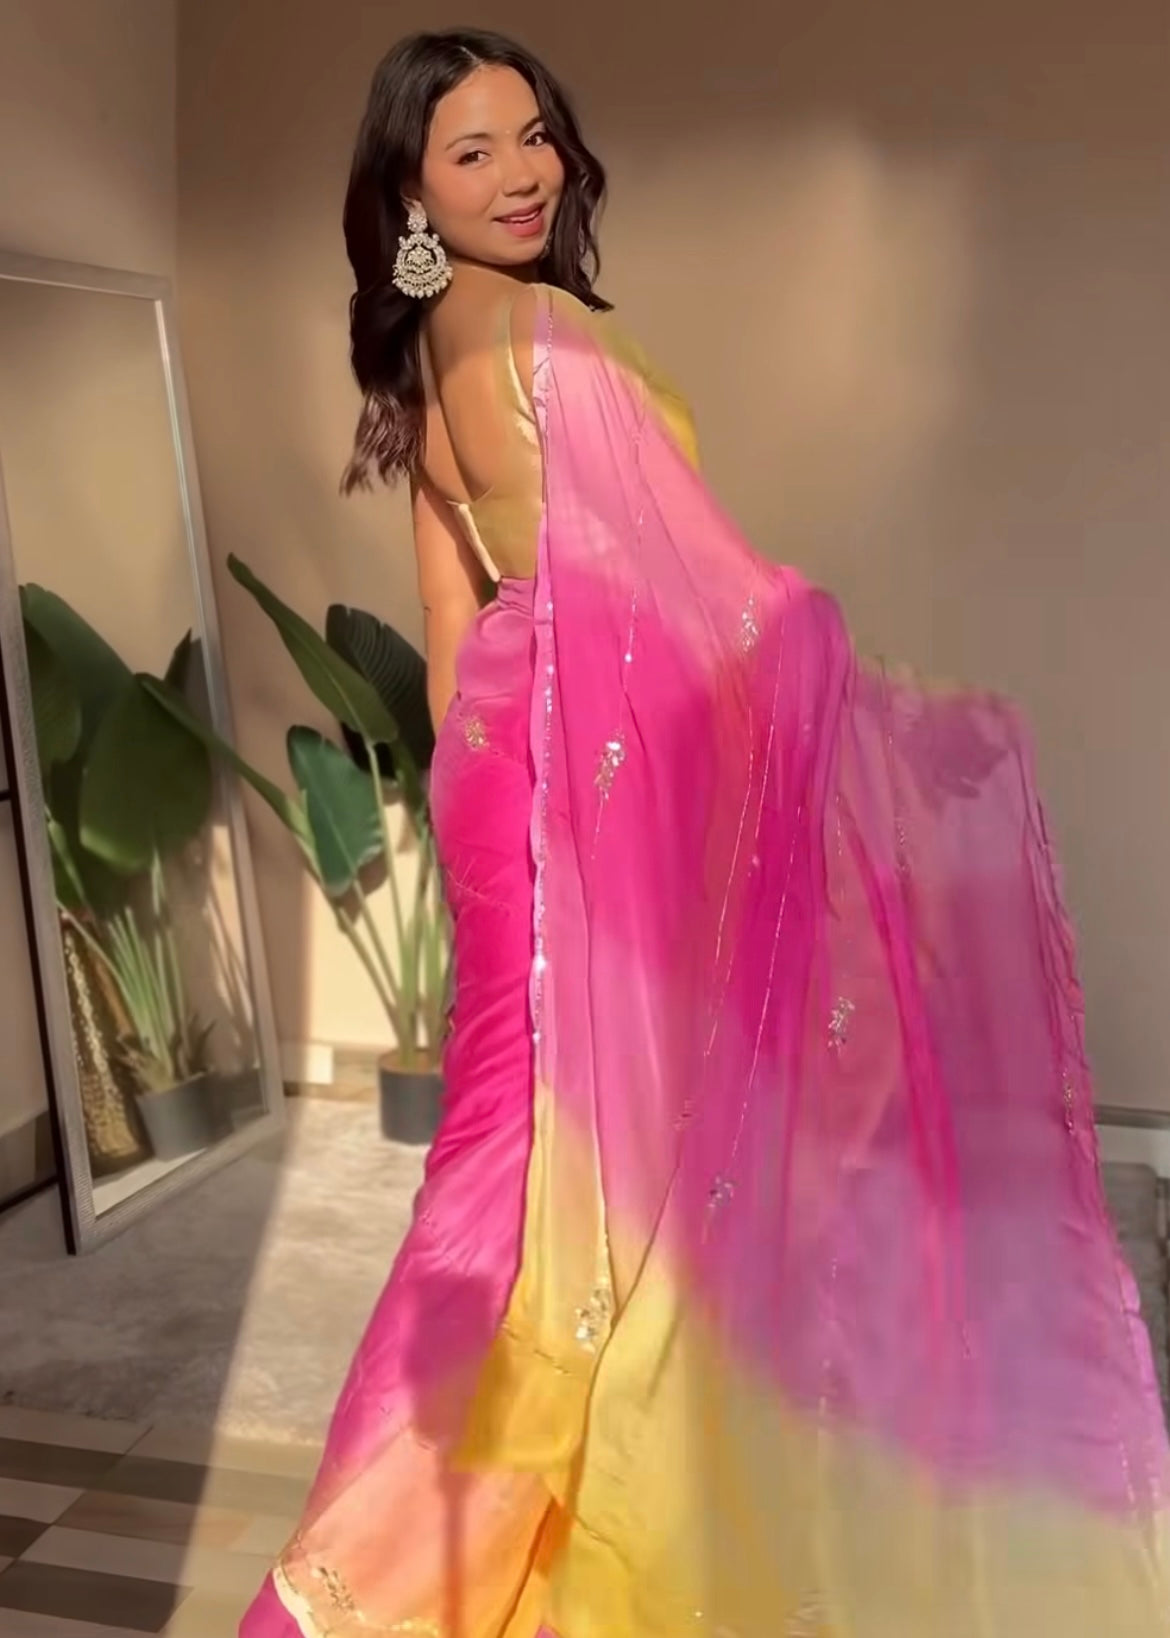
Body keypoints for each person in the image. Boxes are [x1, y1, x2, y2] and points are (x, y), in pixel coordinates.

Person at [241, 29, 1170, 1638]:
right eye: (472, 152)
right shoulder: (540, 332)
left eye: (533, 135)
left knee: (519, 1171)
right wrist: (862, 697)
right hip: (586, 781)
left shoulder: (425, 361)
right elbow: (685, 592)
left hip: (512, 778)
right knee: (593, 1186)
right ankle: (392, 1572)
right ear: (410, 191)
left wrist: (497, 826)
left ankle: (462, 1562)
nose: (522, 173)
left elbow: (456, 625)